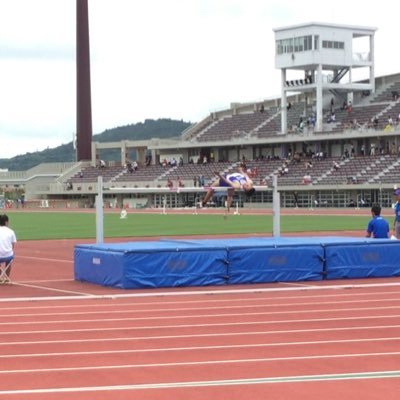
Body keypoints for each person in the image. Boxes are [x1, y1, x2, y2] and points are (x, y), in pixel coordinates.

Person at [0, 214, 17, 283]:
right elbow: (13, 245)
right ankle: (7, 278)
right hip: (8, 256)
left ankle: (0, 278)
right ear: (6, 222)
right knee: (9, 261)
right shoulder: (11, 231)